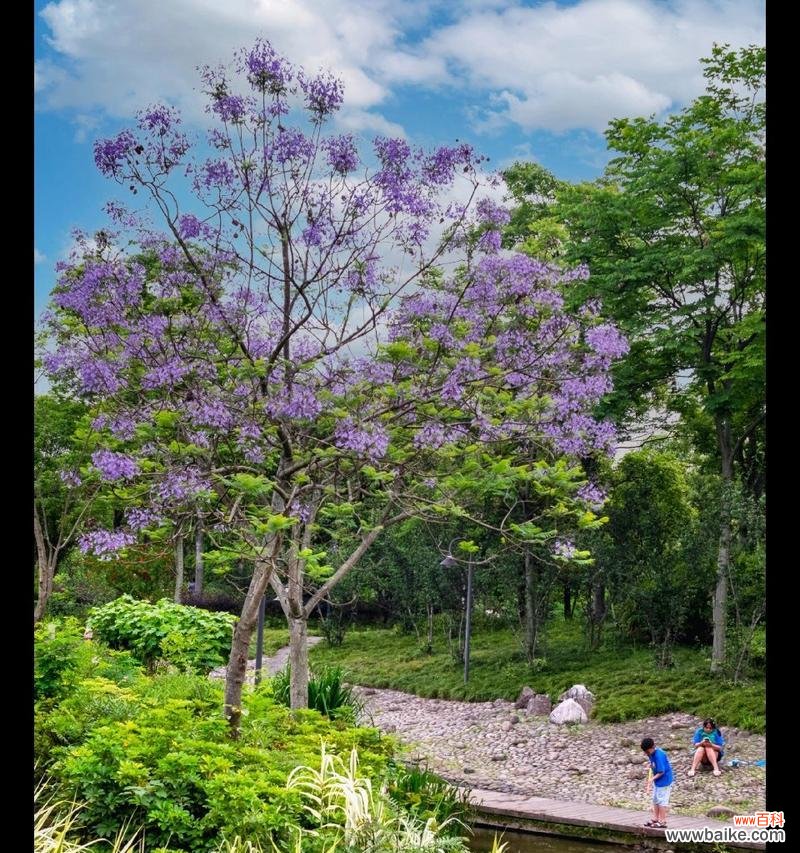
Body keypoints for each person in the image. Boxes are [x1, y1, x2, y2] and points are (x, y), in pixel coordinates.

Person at [641, 737, 673, 828]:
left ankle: (662, 821)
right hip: (658, 781)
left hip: (665, 781)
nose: (647, 754)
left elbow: (661, 771)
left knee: (661, 801)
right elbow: (654, 763)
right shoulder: (651, 754)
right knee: (655, 799)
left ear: (653, 747)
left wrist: (652, 779)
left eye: (647, 752)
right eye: (645, 752)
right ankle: (655, 818)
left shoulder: (659, 755)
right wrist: (651, 765)